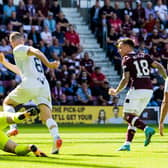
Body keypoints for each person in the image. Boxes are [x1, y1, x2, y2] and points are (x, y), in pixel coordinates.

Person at [0, 32, 62, 154]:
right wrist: (4, 62)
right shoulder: (26, 56)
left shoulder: (19, 48)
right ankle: (56, 137)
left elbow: (38, 52)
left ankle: (13, 128)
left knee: (8, 103)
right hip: (43, 84)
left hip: (31, 83)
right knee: (46, 116)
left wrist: (49, 64)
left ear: (13, 42)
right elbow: (20, 71)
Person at [109, 38, 167, 151]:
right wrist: (166, 79)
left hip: (137, 89)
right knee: (133, 118)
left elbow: (125, 79)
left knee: (126, 116)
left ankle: (147, 129)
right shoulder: (144, 55)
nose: (119, 51)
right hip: (149, 90)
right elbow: (159, 66)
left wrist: (116, 91)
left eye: (120, 47)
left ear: (128, 47)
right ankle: (127, 144)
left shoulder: (127, 59)